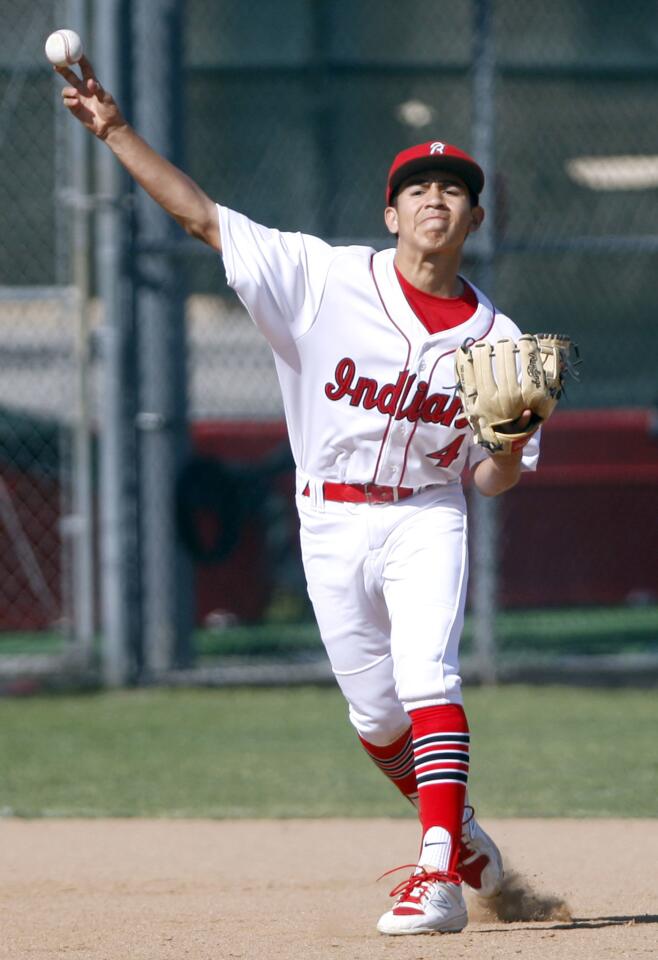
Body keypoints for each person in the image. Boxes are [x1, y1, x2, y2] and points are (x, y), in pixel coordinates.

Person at [57, 56, 539, 936]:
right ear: (389, 214)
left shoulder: (496, 338)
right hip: (329, 516)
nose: (437, 198)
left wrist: (504, 450)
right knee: (374, 716)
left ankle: (435, 878)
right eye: (419, 187)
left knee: (427, 672)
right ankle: (462, 835)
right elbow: (199, 217)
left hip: (428, 513)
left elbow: (489, 479)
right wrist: (115, 130)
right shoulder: (320, 278)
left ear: (475, 214)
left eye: (454, 189)